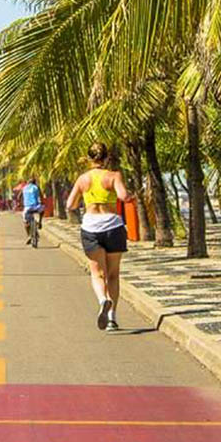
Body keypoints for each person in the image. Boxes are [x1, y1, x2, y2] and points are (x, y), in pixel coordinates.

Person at [66, 142, 132, 332]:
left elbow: (70, 204)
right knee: (113, 274)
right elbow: (123, 196)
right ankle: (112, 318)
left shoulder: (83, 179)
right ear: (106, 158)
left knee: (97, 273)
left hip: (91, 227)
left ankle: (103, 300)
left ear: (89, 159)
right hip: (113, 225)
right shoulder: (113, 176)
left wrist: (85, 200)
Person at [22, 177, 45, 244]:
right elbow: (41, 196)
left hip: (27, 208)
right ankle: (40, 222)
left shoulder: (24, 188)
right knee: (42, 209)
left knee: (25, 222)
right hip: (36, 207)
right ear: (34, 182)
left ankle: (28, 235)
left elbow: (19, 197)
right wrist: (41, 202)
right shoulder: (36, 187)